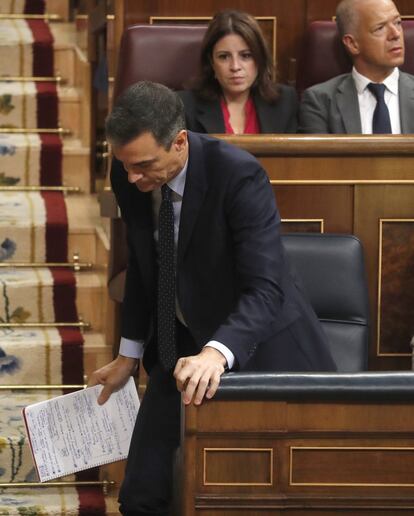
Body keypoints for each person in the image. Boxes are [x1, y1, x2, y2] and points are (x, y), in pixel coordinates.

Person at [89, 81, 336, 516]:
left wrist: (217, 354)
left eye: (144, 166)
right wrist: (128, 355)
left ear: (180, 142)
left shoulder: (237, 174)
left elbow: (266, 288)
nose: (132, 178)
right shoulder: (129, 171)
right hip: (181, 349)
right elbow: (148, 266)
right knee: (141, 496)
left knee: (249, 497)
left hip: (261, 350)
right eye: (125, 166)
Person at [299, 0, 414, 134]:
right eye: (380, 28)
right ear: (352, 44)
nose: (396, 34)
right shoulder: (320, 102)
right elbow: (316, 154)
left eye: (397, 23)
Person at [178, 9, 298, 134]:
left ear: (259, 59)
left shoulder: (285, 101)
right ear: (211, 62)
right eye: (224, 56)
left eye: (246, 56)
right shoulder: (184, 106)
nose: (235, 67)